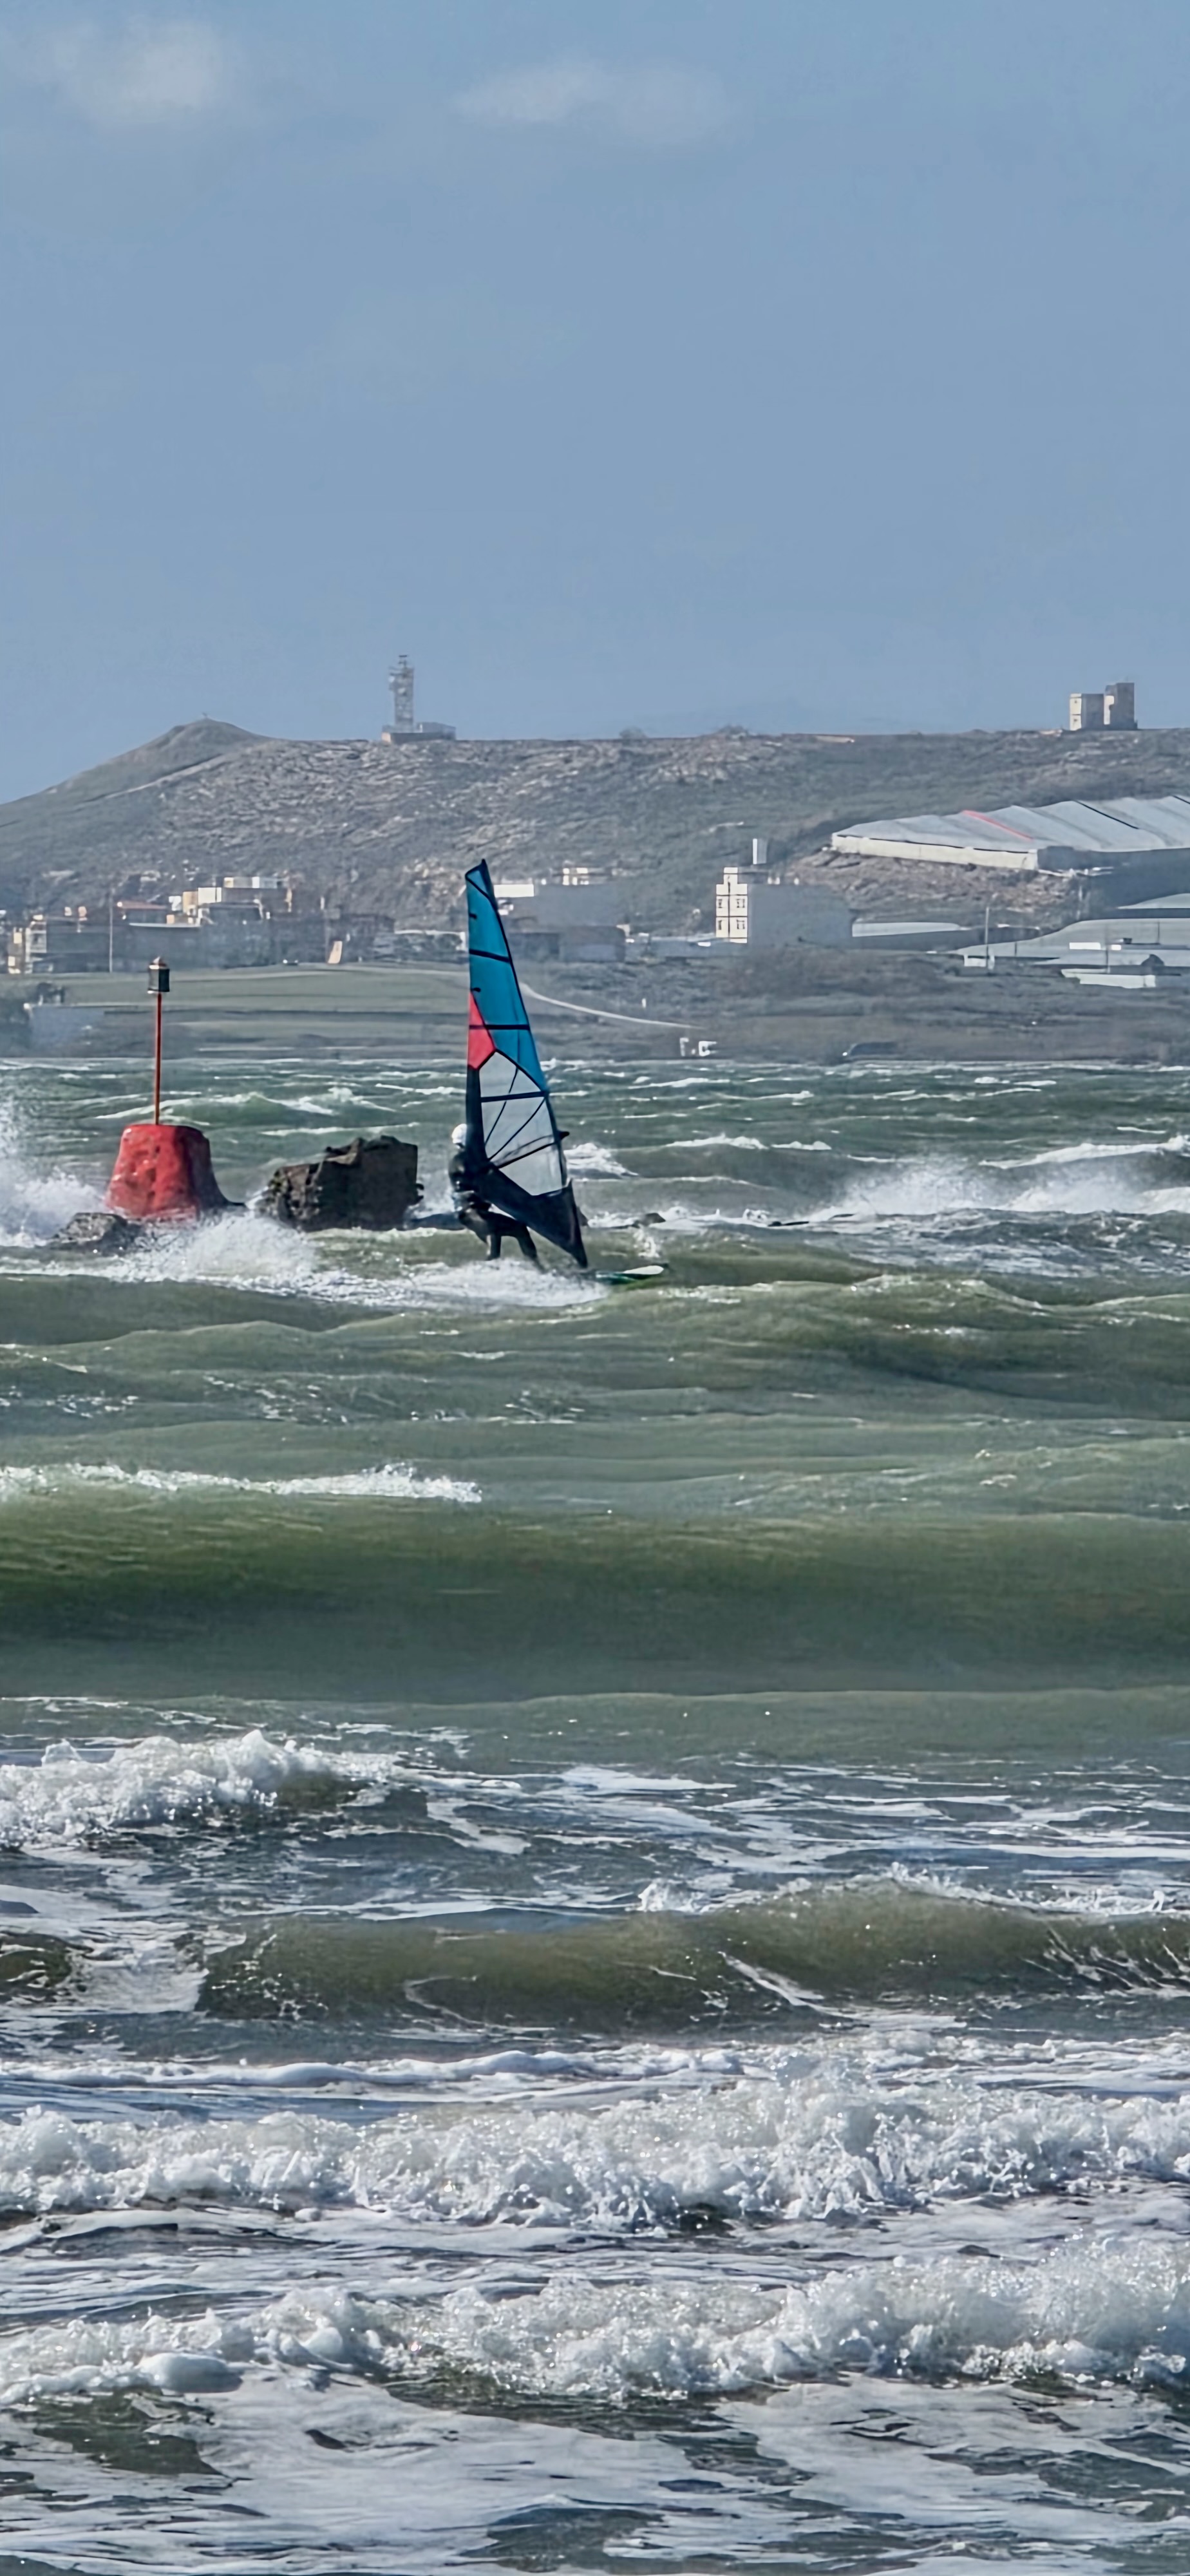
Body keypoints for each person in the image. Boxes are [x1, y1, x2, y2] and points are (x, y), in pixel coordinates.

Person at [448, 1126, 539, 1262]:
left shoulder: (476, 1159)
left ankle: (537, 1267)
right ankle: (487, 1274)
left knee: (520, 1230)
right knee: (493, 1235)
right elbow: (464, 1167)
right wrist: (486, 1167)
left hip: (479, 1213)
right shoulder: (460, 1160)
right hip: (470, 1213)